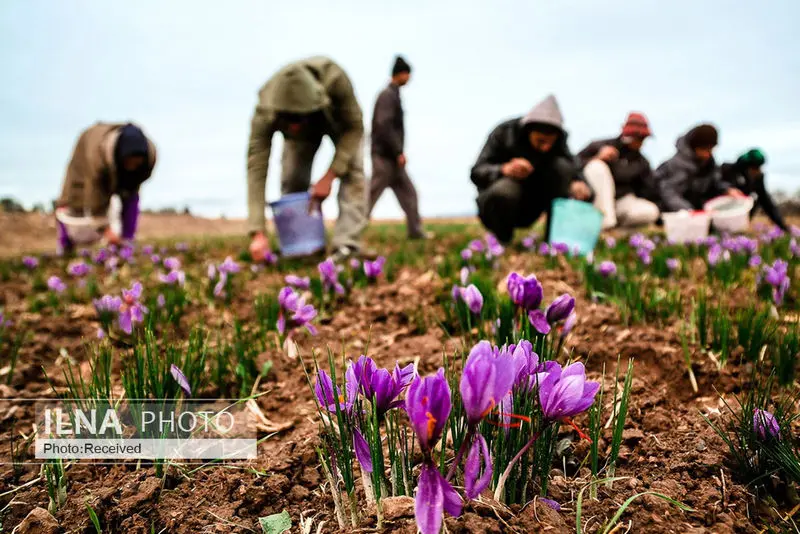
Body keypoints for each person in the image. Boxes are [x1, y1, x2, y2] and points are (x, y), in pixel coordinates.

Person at [247, 56, 368, 261]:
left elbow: (355, 128)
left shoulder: (336, 81)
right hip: (302, 138)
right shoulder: (266, 109)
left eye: (298, 119)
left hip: (337, 125)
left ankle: (346, 245)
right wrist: (257, 231)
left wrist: (330, 176)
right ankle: (301, 246)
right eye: (289, 119)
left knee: (353, 170)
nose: (294, 125)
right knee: (292, 177)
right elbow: (256, 166)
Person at [470, 94, 592, 244]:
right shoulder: (504, 132)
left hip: (534, 204)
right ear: (528, 131)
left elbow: (575, 167)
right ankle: (501, 240)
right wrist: (503, 169)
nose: (546, 147)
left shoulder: (559, 143)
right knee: (505, 190)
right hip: (500, 204)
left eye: (550, 142)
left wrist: (579, 183)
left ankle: (554, 242)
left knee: (563, 168)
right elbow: (477, 171)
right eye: (540, 140)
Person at [56, 122, 156, 254]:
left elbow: (132, 193)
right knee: (74, 198)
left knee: (130, 193)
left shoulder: (149, 156)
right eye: (129, 161)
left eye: (137, 163)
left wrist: (126, 236)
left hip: (114, 160)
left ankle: (128, 241)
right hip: (87, 150)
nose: (132, 166)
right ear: (121, 156)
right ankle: (65, 243)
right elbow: (95, 194)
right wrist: (105, 229)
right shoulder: (97, 157)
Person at [368, 56, 425, 239]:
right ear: (400, 74)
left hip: (393, 159)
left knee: (409, 193)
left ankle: (415, 232)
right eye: (408, 74)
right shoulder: (387, 96)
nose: (409, 78)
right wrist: (397, 151)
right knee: (371, 194)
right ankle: (351, 233)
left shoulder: (394, 95)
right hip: (384, 157)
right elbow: (383, 125)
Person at [578, 112, 660, 229]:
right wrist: (598, 158)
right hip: (593, 202)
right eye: (637, 137)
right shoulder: (599, 146)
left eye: (642, 138)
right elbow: (574, 167)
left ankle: (617, 233)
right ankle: (605, 226)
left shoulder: (642, 162)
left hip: (621, 203)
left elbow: (649, 191)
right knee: (596, 166)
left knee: (650, 211)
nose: (640, 142)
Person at [653, 124, 743, 212]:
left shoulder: (710, 163)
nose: (708, 154)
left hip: (698, 211)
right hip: (673, 212)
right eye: (705, 149)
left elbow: (716, 183)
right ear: (695, 146)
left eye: (711, 149)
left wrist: (727, 190)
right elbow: (669, 193)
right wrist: (689, 211)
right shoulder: (676, 164)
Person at [721, 149, 787, 231]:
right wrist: (727, 189)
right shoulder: (727, 169)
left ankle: (740, 230)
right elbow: (716, 185)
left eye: (759, 167)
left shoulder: (757, 178)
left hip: (741, 216)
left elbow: (766, 202)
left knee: (755, 198)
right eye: (755, 167)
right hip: (723, 212)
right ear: (747, 166)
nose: (758, 171)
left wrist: (782, 226)